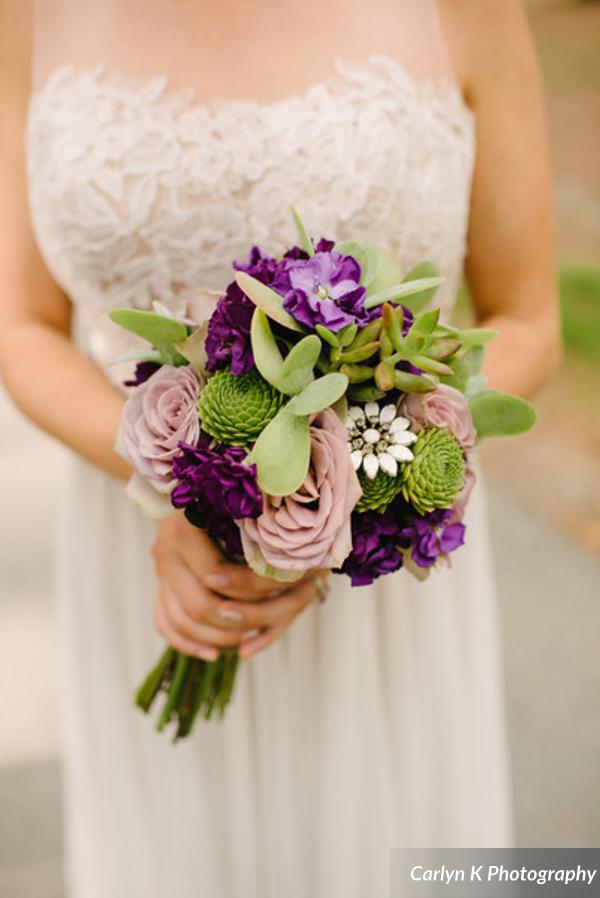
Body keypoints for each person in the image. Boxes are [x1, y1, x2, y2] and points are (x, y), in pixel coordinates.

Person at [0, 1, 560, 896]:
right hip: (146, 555)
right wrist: (188, 487)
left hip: (374, 575)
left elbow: (530, 317)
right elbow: (21, 326)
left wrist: (364, 472)